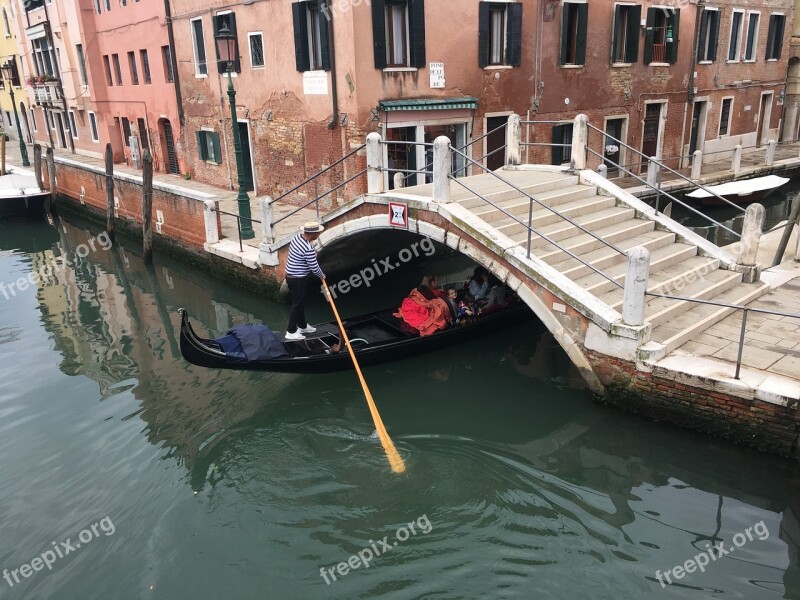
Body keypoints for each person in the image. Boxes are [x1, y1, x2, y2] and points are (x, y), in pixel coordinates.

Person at [285, 222, 326, 340]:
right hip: (298, 279)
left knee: (299, 302)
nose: (319, 233)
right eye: (317, 232)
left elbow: (309, 254)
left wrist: (313, 254)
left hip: (292, 276)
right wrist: (322, 276)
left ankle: (302, 326)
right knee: (297, 304)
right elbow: (314, 267)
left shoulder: (297, 238)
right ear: (312, 233)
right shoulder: (307, 248)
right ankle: (291, 331)